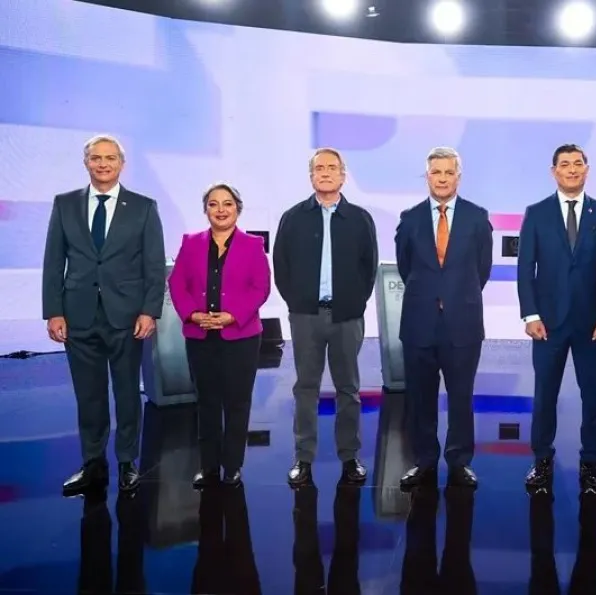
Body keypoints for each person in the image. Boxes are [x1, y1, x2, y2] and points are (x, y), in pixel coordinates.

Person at [42, 134, 166, 496]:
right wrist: (53, 311)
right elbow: (53, 263)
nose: (103, 164)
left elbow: (153, 266)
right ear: (86, 163)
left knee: (128, 393)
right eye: (96, 158)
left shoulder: (143, 207)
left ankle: (128, 462)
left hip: (127, 316)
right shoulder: (65, 204)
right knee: (89, 395)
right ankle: (93, 463)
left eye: (110, 158)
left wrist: (149, 310)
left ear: (121, 164)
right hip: (77, 315)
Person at [516, 144, 596, 493]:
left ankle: (591, 462)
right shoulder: (536, 213)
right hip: (547, 323)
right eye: (565, 164)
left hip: (593, 325)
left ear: (587, 170)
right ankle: (541, 461)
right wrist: (530, 314)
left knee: (593, 396)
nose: (572, 169)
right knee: (544, 394)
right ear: (554, 171)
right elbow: (525, 268)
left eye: (578, 164)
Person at [273, 148, 379, 488]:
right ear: (311, 175)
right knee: (306, 387)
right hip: (306, 316)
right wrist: (297, 302)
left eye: (333, 168)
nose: (326, 172)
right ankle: (303, 458)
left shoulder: (360, 219)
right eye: (320, 168)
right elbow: (281, 266)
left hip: (347, 316)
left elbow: (369, 267)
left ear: (343, 175)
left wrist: (355, 303)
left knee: (348, 388)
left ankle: (350, 456)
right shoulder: (293, 217)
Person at [396, 147, 493, 490]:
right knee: (419, 398)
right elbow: (406, 267)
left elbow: (482, 270)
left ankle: (459, 461)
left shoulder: (477, 218)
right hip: (419, 322)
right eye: (435, 172)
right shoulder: (409, 219)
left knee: (461, 396)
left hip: (462, 323)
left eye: (448, 172)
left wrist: (453, 296)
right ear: (427, 177)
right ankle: (423, 460)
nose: (441, 178)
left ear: (458, 177)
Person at [168, 182, 271, 488]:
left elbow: (260, 287)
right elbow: (177, 284)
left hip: (240, 336)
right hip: (200, 336)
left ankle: (233, 466)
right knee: (207, 402)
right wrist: (192, 314)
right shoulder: (190, 242)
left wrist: (232, 316)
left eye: (227, 203)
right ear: (206, 210)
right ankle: (209, 466)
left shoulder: (253, 244)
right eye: (214, 204)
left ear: (237, 208)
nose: (221, 209)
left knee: (237, 402)